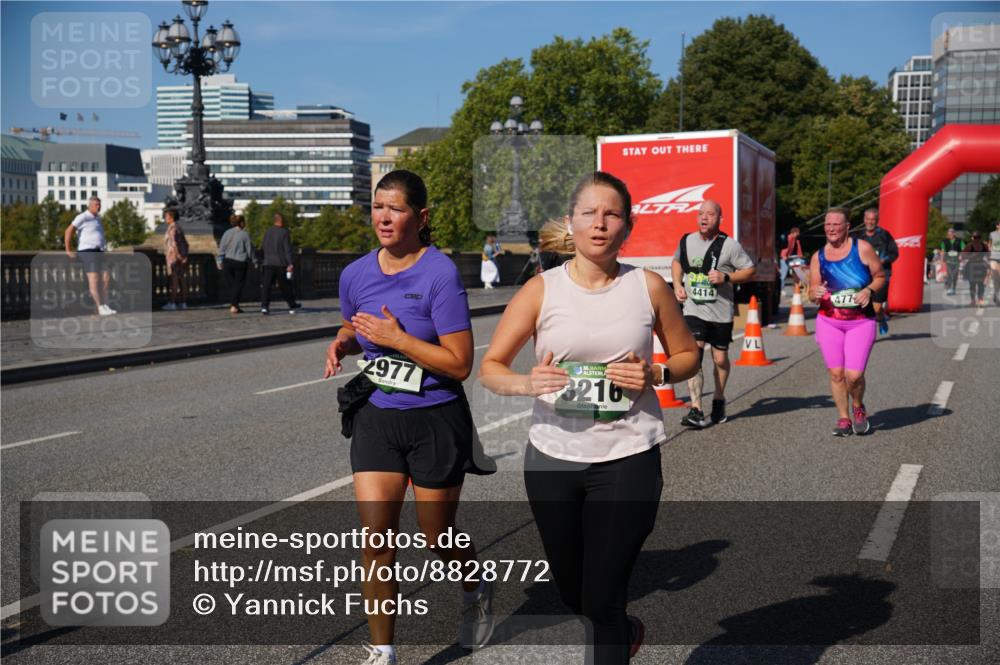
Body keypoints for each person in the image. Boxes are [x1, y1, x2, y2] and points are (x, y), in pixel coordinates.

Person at [479, 172, 699, 664]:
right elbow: (490, 368)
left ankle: (612, 633)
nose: (600, 224)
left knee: (602, 599)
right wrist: (526, 382)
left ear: (628, 226)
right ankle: (622, 630)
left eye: (612, 214)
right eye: (589, 214)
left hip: (628, 455)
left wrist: (656, 372)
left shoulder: (648, 286)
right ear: (572, 222)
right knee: (572, 594)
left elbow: (689, 355)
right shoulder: (542, 290)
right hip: (553, 458)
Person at [323, 170, 495, 665]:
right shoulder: (355, 274)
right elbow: (356, 324)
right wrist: (344, 340)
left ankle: (475, 586)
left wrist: (399, 339)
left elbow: (459, 364)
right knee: (376, 539)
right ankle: (383, 653)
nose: (383, 217)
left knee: (436, 534)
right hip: (379, 415)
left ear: (420, 217)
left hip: (435, 417)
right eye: (378, 206)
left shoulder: (439, 273)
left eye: (395, 208)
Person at [671, 200, 756, 428]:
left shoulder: (730, 246)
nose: (704, 218)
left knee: (719, 359)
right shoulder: (687, 240)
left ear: (720, 219)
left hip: (720, 313)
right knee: (694, 355)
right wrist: (678, 284)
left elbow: (749, 270)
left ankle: (718, 398)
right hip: (693, 310)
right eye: (700, 213)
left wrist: (726, 277)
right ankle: (697, 409)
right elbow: (677, 262)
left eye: (709, 214)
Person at [809, 207, 886, 437]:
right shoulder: (818, 256)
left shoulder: (862, 249)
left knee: (854, 376)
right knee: (836, 374)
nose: (831, 229)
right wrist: (815, 292)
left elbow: (881, 276)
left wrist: (869, 290)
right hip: (829, 320)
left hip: (860, 322)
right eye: (827, 225)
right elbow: (812, 292)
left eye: (836, 224)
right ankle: (844, 418)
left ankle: (858, 406)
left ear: (847, 227)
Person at [64, 196, 116, 316]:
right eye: (96, 204)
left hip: (99, 252)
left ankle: (105, 305)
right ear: (90, 205)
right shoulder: (83, 217)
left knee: (106, 278)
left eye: (99, 204)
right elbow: (68, 231)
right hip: (87, 252)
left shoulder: (97, 218)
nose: (98, 206)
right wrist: (68, 250)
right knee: (94, 280)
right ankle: (99, 307)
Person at [852, 208, 897, 336]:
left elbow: (894, 253)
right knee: (862, 305)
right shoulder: (857, 237)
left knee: (876, 308)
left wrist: (882, 260)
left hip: (881, 275)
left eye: (873, 220)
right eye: (868, 219)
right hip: (863, 275)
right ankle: (866, 333)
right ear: (864, 220)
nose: (870, 222)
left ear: (877, 220)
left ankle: (881, 319)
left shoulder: (885, 235)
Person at [260, 212, 299, 314]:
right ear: (281, 221)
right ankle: (291, 305)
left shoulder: (267, 231)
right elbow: (287, 250)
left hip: (268, 262)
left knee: (266, 285)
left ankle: (264, 306)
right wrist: (290, 263)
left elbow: (263, 247)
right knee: (285, 285)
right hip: (280, 263)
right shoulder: (284, 232)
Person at [217, 214, 254, 314]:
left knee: (231, 284)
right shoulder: (245, 234)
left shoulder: (227, 233)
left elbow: (221, 249)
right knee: (238, 284)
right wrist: (254, 261)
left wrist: (219, 261)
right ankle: (234, 305)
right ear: (242, 223)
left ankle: (234, 305)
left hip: (228, 261)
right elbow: (250, 250)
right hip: (240, 262)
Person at [162, 208, 189, 310]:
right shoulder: (179, 227)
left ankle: (172, 303)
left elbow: (174, 244)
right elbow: (186, 244)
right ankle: (183, 302)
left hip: (173, 257)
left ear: (171, 217)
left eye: (166, 216)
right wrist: (184, 256)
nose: (165, 218)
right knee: (182, 279)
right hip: (181, 256)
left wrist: (178, 256)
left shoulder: (172, 228)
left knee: (174, 280)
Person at [962, 231, 990, 307]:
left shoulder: (984, 246)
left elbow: (988, 255)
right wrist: (972, 256)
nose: (976, 239)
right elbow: (963, 256)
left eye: (978, 237)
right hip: (971, 266)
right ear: (972, 238)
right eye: (975, 237)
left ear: (980, 238)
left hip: (981, 265)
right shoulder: (969, 246)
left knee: (981, 284)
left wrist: (988, 264)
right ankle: (973, 300)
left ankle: (980, 299)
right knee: (972, 284)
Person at [941, 227, 964, 296]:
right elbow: (943, 251)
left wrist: (961, 256)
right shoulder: (944, 241)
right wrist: (942, 260)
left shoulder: (959, 241)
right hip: (948, 260)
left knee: (955, 275)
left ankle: (953, 288)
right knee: (950, 274)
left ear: (954, 233)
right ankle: (949, 288)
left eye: (951, 233)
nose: (949, 234)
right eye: (948, 233)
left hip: (957, 261)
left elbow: (963, 249)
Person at [990, 221, 1000, 305]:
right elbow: (989, 245)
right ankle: (996, 294)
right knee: (995, 277)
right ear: (997, 226)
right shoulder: (992, 234)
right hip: (994, 258)